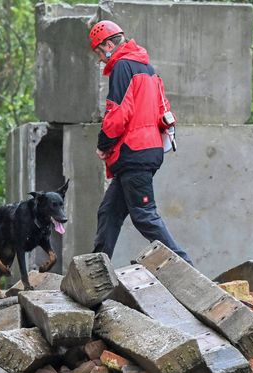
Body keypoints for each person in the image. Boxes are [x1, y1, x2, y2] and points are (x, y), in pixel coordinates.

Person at [88, 20, 193, 265]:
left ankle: (187, 268)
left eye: (99, 52)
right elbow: (161, 111)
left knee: (144, 215)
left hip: (134, 151)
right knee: (109, 213)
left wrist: (103, 144)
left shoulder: (123, 67)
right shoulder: (147, 67)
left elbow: (117, 114)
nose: (101, 59)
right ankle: (94, 270)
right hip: (145, 149)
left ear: (109, 44)